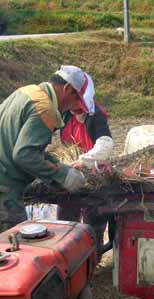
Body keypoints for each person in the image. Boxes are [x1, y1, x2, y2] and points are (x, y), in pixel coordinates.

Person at [0, 65, 89, 250]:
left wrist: (59, 165)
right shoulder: (44, 108)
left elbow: (25, 147)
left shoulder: (27, 92)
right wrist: (63, 176)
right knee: (11, 253)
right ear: (67, 89)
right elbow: (24, 155)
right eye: (76, 98)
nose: (74, 106)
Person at [56, 73, 115, 255]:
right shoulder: (65, 114)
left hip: (93, 172)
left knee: (93, 220)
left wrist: (84, 160)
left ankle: (94, 255)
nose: (76, 111)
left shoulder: (95, 116)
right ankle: (69, 255)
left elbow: (106, 144)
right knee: (66, 217)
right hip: (71, 170)